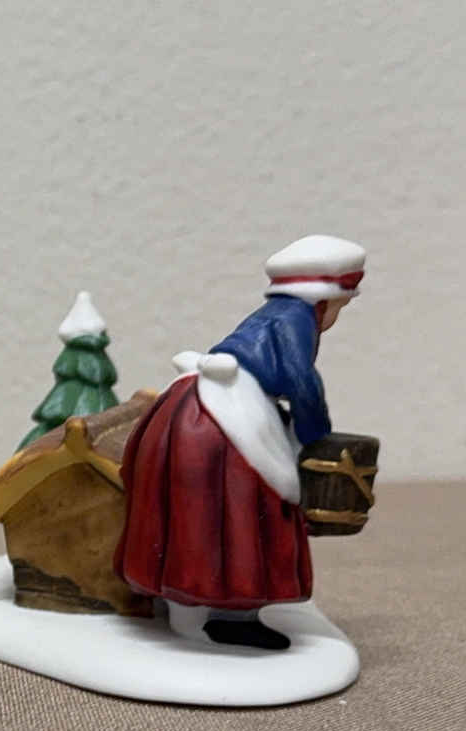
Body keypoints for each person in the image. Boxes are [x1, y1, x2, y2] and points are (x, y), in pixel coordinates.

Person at [113, 235, 366, 648]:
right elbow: (302, 382)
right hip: (228, 417)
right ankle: (232, 613)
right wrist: (315, 434)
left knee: (191, 511)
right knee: (247, 506)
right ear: (326, 299)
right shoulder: (296, 320)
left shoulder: (271, 314)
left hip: (190, 405)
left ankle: (180, 601)